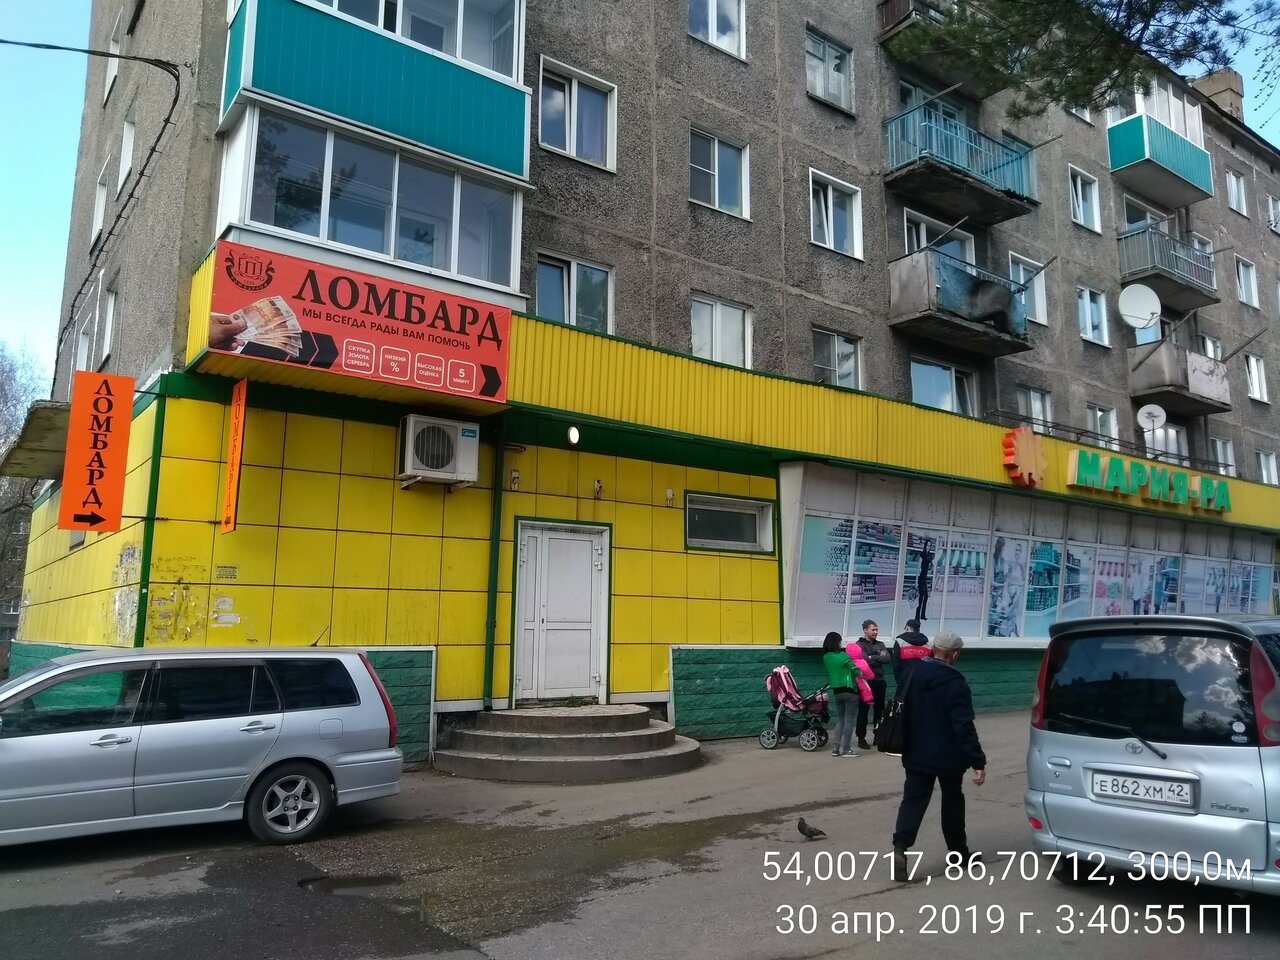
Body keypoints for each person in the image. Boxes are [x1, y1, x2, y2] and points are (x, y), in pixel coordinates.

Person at [891, 631, 986, 875]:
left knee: (913, 799)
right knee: (952, 801)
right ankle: (958, 853)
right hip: (949, 756)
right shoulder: (955, 682)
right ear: (954, 654)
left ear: (933, 649)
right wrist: (978, 761)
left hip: (915, 750)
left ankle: (901, 846)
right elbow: (963, 725)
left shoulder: (912, 672)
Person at [822, 631, 863, 758]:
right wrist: (862, 673)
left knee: (840, 720)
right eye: (840, 641)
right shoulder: (843, 655)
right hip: (850, 691)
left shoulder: (826, 657)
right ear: (837, 643)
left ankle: (835, 748)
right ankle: (846, 749)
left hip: (837, 692)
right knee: (849, 721)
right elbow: (854, 669)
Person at [854, 619, 891, 750]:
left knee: (879, 710)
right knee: (863, 710)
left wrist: (871, 657)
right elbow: (864, 660)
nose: (875, 632)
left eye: (876, 630)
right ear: (865, 630)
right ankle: (861, 738)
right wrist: (877, 657)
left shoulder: (880, 644)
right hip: (866, 682)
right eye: (873, 630)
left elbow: (887, 658)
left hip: (879, 681)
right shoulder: (859, 645)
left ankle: (878, 736)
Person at [892, 619, 930, 686]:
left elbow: (896, 664)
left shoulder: (900, 642)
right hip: (924, 682)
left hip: (905, 681)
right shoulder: (928, 644)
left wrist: (899, 681)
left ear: (907, 627)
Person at [915, 539, 935, 621]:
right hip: (921, 578)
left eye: (929, 546)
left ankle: (922, 615)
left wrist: (932, 565)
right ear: (925, 546)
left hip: (925, 578)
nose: (928, 547)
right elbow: (918, 567)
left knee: (926, 597)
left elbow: (930, 567)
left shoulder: (929, 555)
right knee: (921, 598)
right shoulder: (922, 554)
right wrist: (916, 580)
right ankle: (917, 617)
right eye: (927, 545)